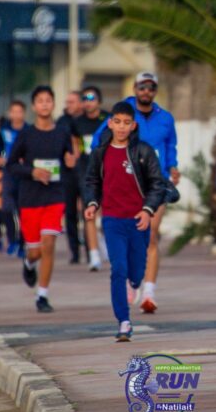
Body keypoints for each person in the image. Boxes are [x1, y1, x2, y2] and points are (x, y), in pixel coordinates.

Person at [95, 72, 179, 313]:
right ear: (134, 88)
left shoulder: (166, 118)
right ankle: (131, 281)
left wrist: (173, 167)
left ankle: (149, 293)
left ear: (155, 90)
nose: (146, 91)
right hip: (126, 183)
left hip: (156, 183)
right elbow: (99, 142)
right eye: (142, 87)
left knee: (151, 235)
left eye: (151, 87)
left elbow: (170, 146)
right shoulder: (123, 113)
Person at [83, 102, 165, 341]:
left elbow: (157, 184)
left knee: (136, 272)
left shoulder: (144, 151)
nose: (121, 127)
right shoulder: (100, 152)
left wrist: (148, 210)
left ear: (133, 126)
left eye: (126, 123)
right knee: (118, 268)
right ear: (110, 123)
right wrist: (92, 203)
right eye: (117, 122)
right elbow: (92, 182)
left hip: (139, 220)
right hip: (112, 220)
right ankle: (124, 322)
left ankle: (134, 283)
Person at [7, 86, 75, 313]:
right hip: (30, 198)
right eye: (40, 101)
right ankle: (29, 263)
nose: (45, 104)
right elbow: (11, 165)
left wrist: (70, 161)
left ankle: (42, 296)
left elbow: (69, 159)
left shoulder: (62, 132)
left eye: (48, 100)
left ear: (53, 104)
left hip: (55, 195)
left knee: (49, 243)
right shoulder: (25, 135)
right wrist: (33, 172)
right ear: (34, 107)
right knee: (36, 251)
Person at [70, 86, 109, 271]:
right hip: (87, 172)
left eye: (92, 98)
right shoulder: (77, 122)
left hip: (108, 172)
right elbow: (75, 144)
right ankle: (93, 255)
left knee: (109, 214)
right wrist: (73, 157)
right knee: (89, 212)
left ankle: (107, 244)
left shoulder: (109, 119)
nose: (88, 102)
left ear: (99, 101)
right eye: (85, 99)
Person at [0, 103, 27, 256]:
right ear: (10, 113)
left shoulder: (29, 130)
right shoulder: (4, 131)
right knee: (6, 208)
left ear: (24, 113)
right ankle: (12, 240)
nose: (16, 114)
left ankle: (23, 244)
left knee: (24, 211)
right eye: (14, 111)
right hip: (8, 173)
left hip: (24, 174)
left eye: (19, 111)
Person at [57, 91, 84, 264]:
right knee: (70, 213)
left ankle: (91, 250)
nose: (68, 105)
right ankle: (74, 252)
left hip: (86, 171)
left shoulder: (87, 120)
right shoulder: (62, 122)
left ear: (80, 103)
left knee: (89, 210)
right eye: (67, 102)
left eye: (72, 102)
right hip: (67, 172)